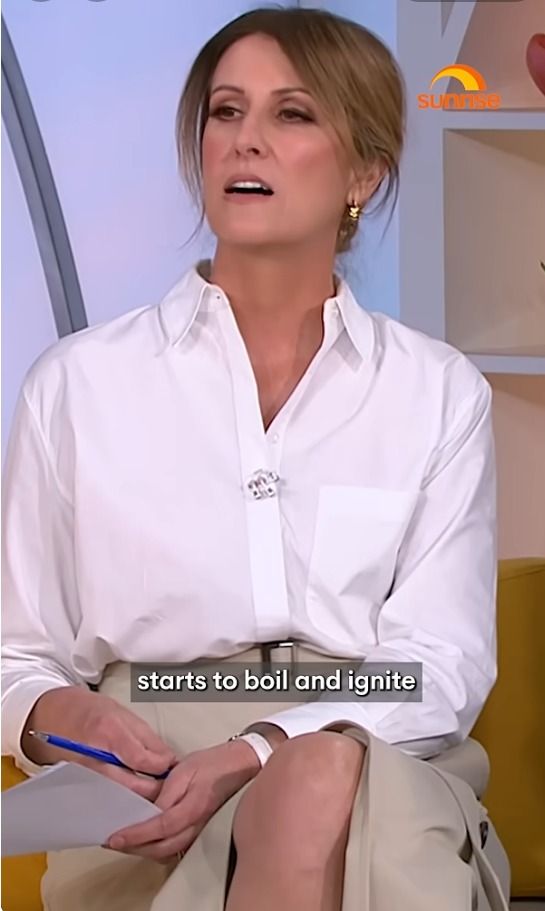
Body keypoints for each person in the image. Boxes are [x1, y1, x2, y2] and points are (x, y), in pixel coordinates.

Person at [1, 7, 509, 911]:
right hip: (150, 772)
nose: (246, 140)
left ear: (364, 171)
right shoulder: (77, 385)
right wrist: (57, 714)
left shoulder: (435, 392)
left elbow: (438, 662)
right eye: (226, 112)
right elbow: (16, 653)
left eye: (292, 114)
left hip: (376, 752)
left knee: (322, 778)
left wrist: (265, 746)